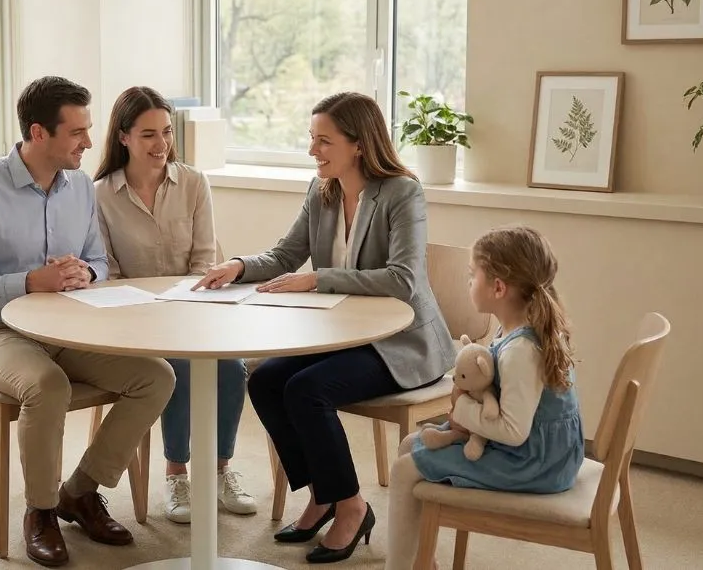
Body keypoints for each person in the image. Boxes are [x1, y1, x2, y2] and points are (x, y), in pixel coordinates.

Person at [194, 91, 455, 564]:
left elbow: (403, 280)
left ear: (358, 144)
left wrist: (319, 279)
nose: (313, 151)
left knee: (308, 389)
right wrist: (237, 265)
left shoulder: (402, 192)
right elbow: (284, 256)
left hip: (401, 342)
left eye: (323, 141)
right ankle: (323, 494)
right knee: (268, 379)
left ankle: (352, 507)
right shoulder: (322, 190)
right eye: (312, 140)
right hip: (340, 334)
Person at [0, 75, 175, 568]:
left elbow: (98, 261)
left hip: (70, 329)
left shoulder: (80, 189)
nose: (90, 142)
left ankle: (80, 492)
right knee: (47, 387)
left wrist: (85, 271)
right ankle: (41, 511)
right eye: (77, 132)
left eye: (88, 130)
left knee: (155, 376)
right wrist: (29, 281)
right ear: (38, 133)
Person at [92, 86, 256, 525]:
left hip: (195, 310)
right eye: (148, 134)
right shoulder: (100, 195)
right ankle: (176, 473)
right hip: (135, 320)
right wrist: (155, 312)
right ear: (123, 137)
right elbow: (108, 273)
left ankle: (221, 470)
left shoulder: (194, 183)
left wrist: (188, 304)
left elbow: (206, 260)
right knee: (179, 367)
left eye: (166, 132)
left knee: (231, 366)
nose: (161, 144)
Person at [385, 225, 585, 570]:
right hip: (541, 452)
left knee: (405, 470)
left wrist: (462, 407)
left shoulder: (522, 350)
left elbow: (513, 430)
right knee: (409, 446)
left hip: (533, 462)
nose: (468, 283)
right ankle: (420, 562)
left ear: (498, 287)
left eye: (471, 275)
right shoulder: (515, 328)